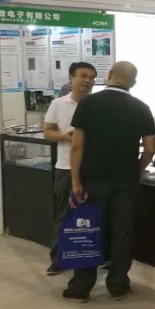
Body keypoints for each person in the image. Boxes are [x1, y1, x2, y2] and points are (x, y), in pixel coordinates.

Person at [64, 61, 155, 303]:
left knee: (89, 230)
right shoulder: (142, 108)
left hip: (92, 179)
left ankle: (81, 287)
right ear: (133, 82)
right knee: (122, 233)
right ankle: (118, 285)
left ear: (110, 74)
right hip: (125, 181)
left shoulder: (88, 103)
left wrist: (75, 182)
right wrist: (136, 169)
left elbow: (77, 145)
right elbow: (150, 149)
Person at [43, 61, 97, 275]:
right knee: (63, 214)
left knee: (92, 214)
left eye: (91, 77)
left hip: (92, 168)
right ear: (71, 78)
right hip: (65, 167)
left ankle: (91, 256)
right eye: (83, 76)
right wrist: (66, 137)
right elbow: (48, 132)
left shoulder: (97, 104)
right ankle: (58, 259)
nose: (87, 81)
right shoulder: (58, 104)